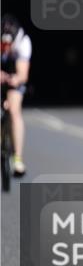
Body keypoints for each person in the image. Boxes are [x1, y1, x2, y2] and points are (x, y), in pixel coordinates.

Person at [1, 15, 32, 177]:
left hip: (13, 73)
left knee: (14, 111)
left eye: (8, 44)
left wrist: (13, 79)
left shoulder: (23, 42)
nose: (5, 47)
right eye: (2, 44)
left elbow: (23, 75)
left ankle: (17, 158)